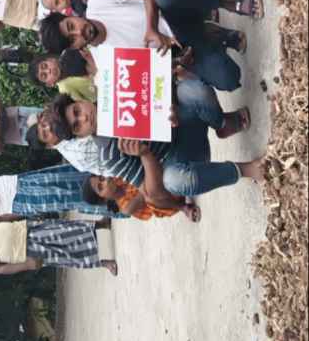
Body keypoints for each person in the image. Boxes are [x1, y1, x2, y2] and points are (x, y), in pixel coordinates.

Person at [39, 0, 262, 93]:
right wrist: (179, 64)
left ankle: (230, 3)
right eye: (73, 39)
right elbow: (153, 77)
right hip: (181, 47)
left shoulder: (97, 3)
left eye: (71, 25)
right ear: (76, 48)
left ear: (71, 16)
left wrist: (151, 27)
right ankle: (220, 37)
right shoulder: (107, 64)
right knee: (229, 79)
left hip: (174, 12)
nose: (79, 32)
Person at [34, 85, 265, 202]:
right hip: (186, 157)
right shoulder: (109, 156)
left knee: (190, 89)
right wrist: (145, 155)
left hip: (188, 119)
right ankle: (247, 169)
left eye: (77, 111)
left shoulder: (114, 85)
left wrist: (171, 103)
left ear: (79, 101)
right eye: (77, 126)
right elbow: (154, 194)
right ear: (81, 136)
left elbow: (162, 79)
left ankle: (225, 123)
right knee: (174, 180)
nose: (84, 118)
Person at [0, 162, 120, 222]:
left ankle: (117, 180)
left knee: (67, 177)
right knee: (70, 196)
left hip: (19, 182)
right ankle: (121, 204)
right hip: (21, 199)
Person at [0, 217, 118, 276]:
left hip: (27, 229)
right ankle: (104, 263)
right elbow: (0, 269)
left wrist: (20, 214)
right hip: (26, 252)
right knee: (65, 256)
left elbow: (0, 219)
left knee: (65, 228)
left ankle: (100, 224)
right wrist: (26, 265)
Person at [83, 169, 200, 223]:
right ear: (104, 199)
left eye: (101, 178)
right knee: (150, 194)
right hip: (168, 199)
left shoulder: (117, 176)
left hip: (163, 176)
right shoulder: (126, 208)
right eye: (101, 187)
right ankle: (184, 207)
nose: (105, 181)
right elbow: (144, 192)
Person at [28, 51, 96, 102]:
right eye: (45, 76)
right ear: (49, 84)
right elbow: (87, 105)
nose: (48, 71)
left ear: (50, 59)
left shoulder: (68, 54)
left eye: (45, 66)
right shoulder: (65, 90)